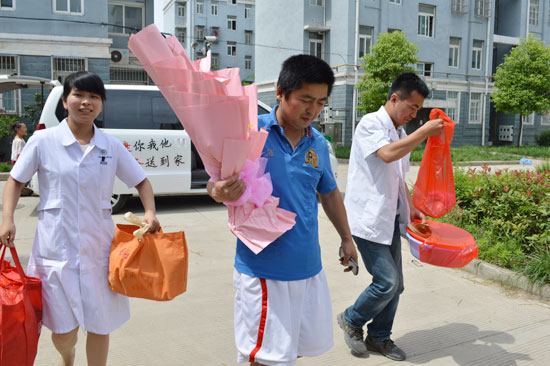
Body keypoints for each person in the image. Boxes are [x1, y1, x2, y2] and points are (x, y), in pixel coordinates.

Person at [0, 71, 160, 366]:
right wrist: (7, 219)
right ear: (65, 101)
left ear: (101, 104)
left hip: (99, 249)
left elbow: (141, 181)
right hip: (56, 251)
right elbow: (15, 181)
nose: (86, 102)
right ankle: (67, 355)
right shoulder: (43, 141)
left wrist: (149, 212)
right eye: (79, 95)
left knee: (101, 323)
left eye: (94, 97)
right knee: (64, 331)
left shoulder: (110, 146)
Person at [208, 54, 359, 366]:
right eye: (305, 100)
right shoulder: (251, 132)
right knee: (262, 355)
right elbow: (216, 183)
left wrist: (347, 237)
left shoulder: (317, 143)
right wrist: (219, 192)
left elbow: (329, 194)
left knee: (294, 348)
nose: (313, 110)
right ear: (280, 92)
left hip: (306, 266)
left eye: (320, 102)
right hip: (263, 268)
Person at [337, 73, 444, 361]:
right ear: (394, 98)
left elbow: (397, 177)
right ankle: (351, 318)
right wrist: (423, 132)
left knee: (397, 286)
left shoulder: (398, 131)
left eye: (418, 110)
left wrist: (410, 208)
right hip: (366, 220)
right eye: (412, 107)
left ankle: (379, 337)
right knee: (387, 282)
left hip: (388, 219)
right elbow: (386, 155)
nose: (414, 114)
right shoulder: (371, 123)